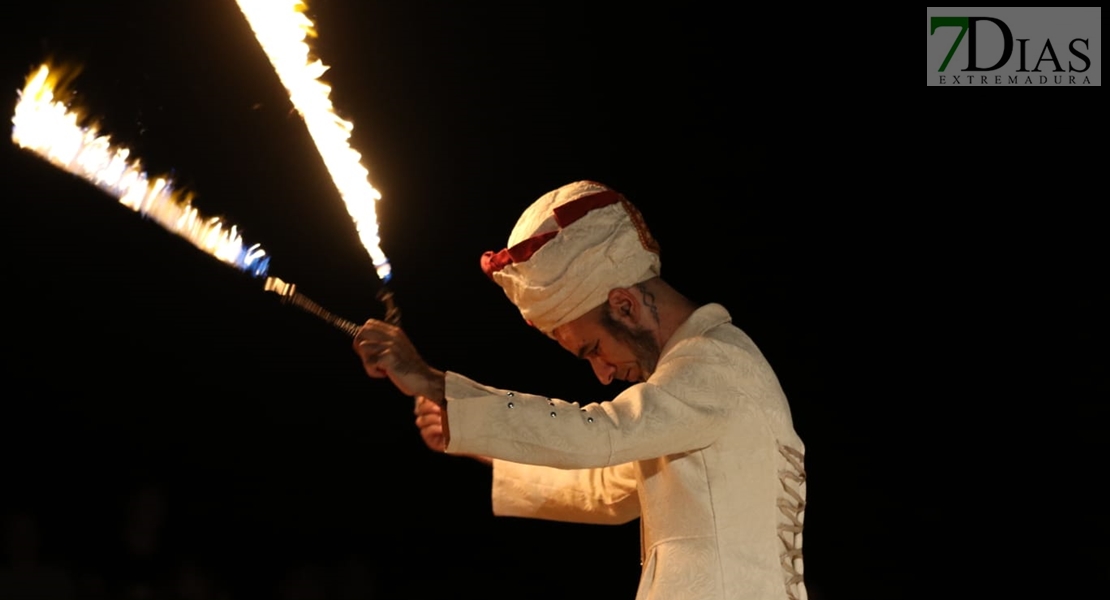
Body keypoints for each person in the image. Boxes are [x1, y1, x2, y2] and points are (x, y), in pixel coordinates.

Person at [353, 181, 807, 600]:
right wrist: (476, 437)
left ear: (624, 305)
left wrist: (437, 384)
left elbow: (601, 433)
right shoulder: (698, 383)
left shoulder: (714, 363)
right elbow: (608, 490)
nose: (603, 374)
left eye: (594, 349)